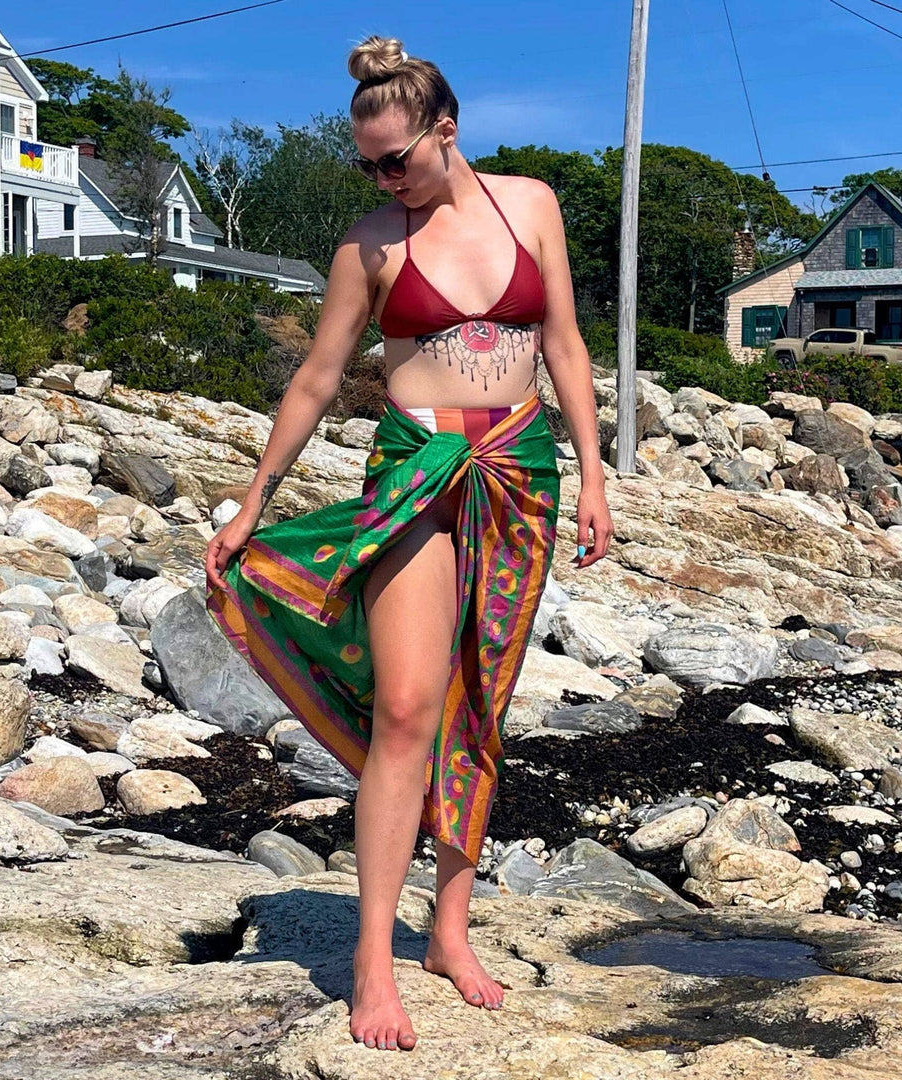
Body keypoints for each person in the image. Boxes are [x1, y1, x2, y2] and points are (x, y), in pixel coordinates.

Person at [205, 34, 612, 1054]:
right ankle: (371, 963)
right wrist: (257, 497)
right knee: (404, 708)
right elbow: (315, 378)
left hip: (520, 472)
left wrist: (597, 476)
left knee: (480, 702)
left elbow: (562, 343)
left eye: (396, 158)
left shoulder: (534, 205)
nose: (383, 177)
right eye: (367, 163)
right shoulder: (369, 244)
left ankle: (451, 934)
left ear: (446, 129)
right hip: (413, 472)